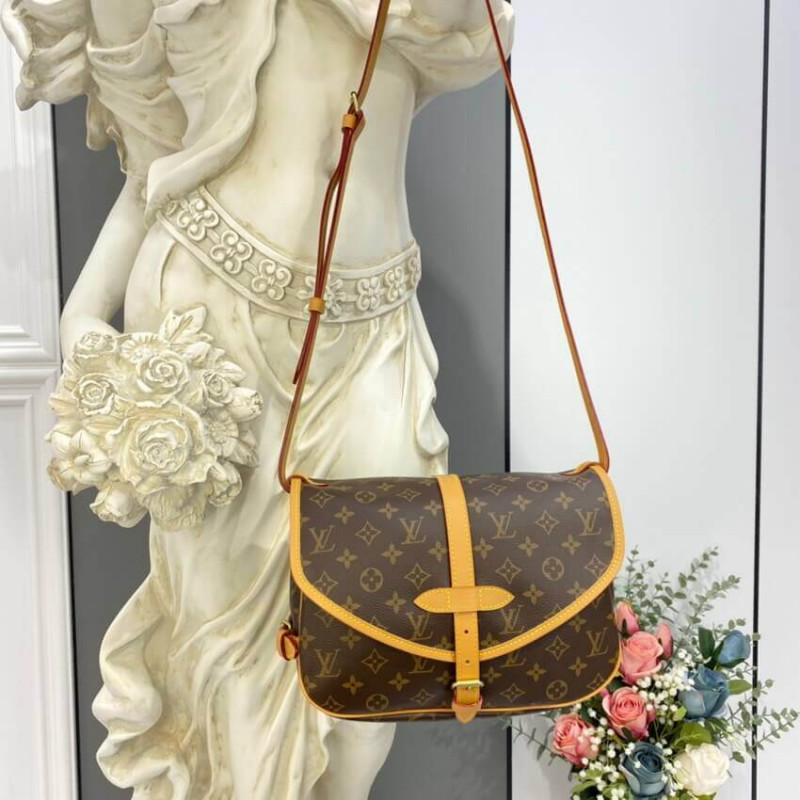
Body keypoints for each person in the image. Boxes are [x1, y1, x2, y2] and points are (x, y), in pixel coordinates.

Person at [3, 1, 513, 797]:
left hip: (374, 327)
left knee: (381, 625)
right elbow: (155, 161)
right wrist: (83, 310)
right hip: (212, 311)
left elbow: (453, 22)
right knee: (226, 645)